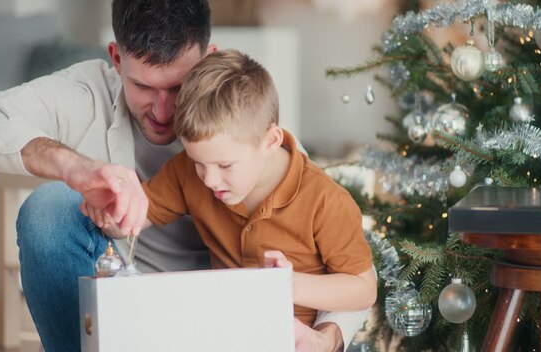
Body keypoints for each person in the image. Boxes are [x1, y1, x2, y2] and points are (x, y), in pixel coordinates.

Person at [0, 0, 368, 351]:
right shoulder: (86, 95)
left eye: (178, 87)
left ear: (209, 58)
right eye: (143, 86)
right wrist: (76, 170)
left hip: (233, 313)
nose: (163, 112)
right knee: (47, 209)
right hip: (139, 300)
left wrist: (326, 339)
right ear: (116, 58)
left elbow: (348, 273)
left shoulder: (248, 125)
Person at [83, 49, 377, 330]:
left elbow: (364, 289)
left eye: (225, 165)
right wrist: (112, 208)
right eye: (199, 162)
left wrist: (289, 284)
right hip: (220, 331)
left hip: (294, 339)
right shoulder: (188, 172)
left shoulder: (325, 201)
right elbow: (135, 216)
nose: (209, 180)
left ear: (271, 142)